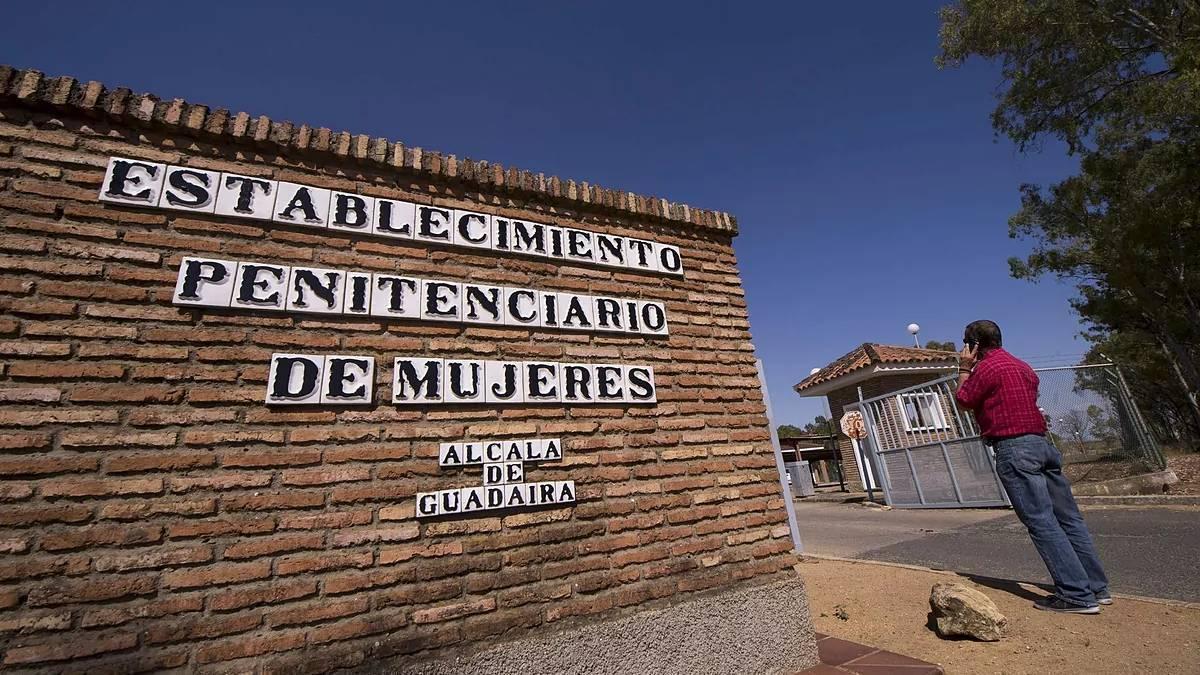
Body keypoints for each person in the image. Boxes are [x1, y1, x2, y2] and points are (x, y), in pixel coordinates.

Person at [954, 319, 1110, 614]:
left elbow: (963, 400)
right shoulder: (1023, 367)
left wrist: (964, 369)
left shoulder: (986, 369)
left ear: (973, 345)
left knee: (1041, 521)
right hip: (1042, 444)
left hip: (1014, 448)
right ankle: (1096, 587)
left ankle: (1076, 594)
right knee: (1069, 519)